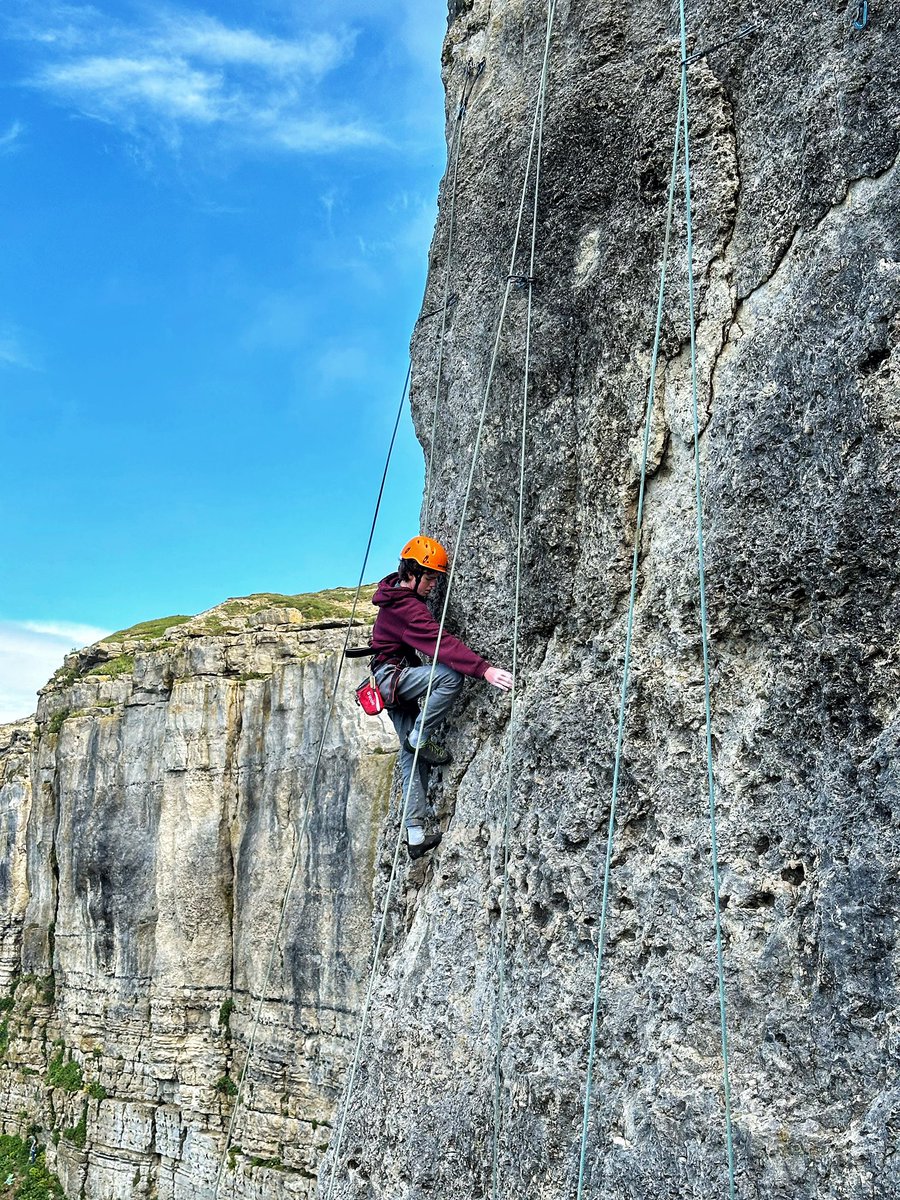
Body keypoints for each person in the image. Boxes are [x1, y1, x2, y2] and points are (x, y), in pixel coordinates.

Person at [371, 535, 513, 860]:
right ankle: (420, 735)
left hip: (389, 681)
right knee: (449, 676)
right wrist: (485, 670)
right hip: (394, 678)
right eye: (431, 576)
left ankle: (416, 834)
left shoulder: (394, 594)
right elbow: (440, 644)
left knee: (411, 759)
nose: (434, 584)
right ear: (414, 572)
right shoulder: (405, 607)